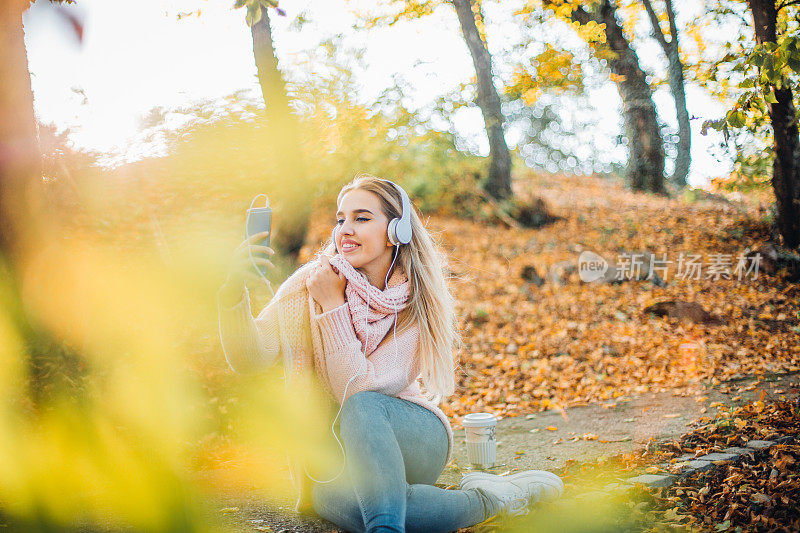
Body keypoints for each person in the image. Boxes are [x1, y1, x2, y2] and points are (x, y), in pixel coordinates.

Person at [217, 174, 564, 533]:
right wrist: (231, 292)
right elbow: (249, 358)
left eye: (362, 218)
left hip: (413, 438)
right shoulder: (313, 282)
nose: (345, 230)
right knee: (350, 504)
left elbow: (359, 391)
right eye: (341, 219)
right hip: (339, 461)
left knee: (363, 406)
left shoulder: (413, 301)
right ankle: (492, 499)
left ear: (395, 231)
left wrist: (333, 305)